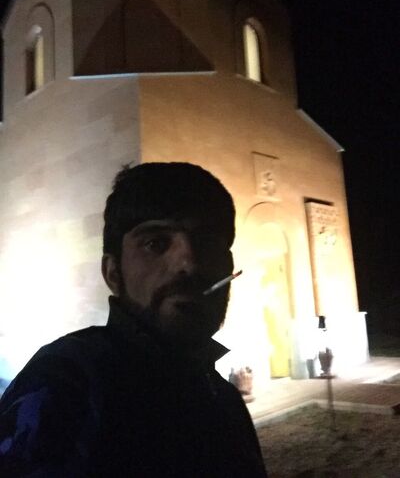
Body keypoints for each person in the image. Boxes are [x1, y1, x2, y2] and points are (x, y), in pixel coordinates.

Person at [0, 162, 267, 477]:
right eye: (156, 243)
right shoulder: (68, 382)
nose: (189, 263)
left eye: (207, 242)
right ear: (113, 273)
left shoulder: (222, 396)